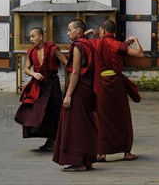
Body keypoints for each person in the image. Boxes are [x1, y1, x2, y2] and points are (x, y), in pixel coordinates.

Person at [91, 20, 144, 163]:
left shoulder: (95, 44)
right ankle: (126, 152)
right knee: (122, 117)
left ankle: (101, 153)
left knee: (101, 118)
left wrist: (90, 34)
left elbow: (78, 43)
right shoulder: (118, 45)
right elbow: (139, 54)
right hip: (117, 84)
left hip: (101, 84)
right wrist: (136, 39)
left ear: (102, 31)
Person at [52, 19, 99, 172]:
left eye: (69, 29)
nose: (67, 33)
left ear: (78, 31)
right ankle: (87, 160)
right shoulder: (89, 44)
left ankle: (78, 162)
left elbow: (76, 71)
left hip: (78, 89)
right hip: (87, 88)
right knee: (85, 123)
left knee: (74, 125)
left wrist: (68, 95)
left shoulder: (78, 46)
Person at [15, 27, 68, 151]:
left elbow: (66, 62)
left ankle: (54, 140)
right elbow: (26, 68)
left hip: (52, 83)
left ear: (41, 37)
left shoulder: (53, 49)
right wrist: (34, 74)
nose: (31, 39)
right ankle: (49, 138)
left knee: (54, 111)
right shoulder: (31, 51)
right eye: (30, 37)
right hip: (38, 85)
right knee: (36, 110)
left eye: (33, 36)